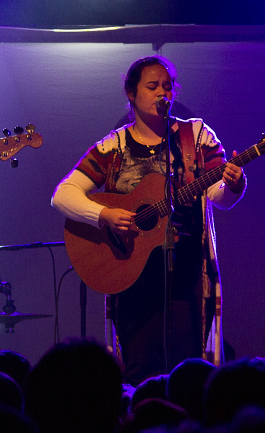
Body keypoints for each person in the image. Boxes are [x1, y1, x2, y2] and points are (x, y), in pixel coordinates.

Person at [52, 55, 246, 384]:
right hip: (131, 277)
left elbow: (218, 196)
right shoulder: (113, 146)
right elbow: (63, 195)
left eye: (167, 87)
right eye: (152, 86)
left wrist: (234, 184)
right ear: (131, 94)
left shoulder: (196, 136)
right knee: (140, 369)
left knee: (188, 372)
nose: (162, 93)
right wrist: (105, 214)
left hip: (186, 276)